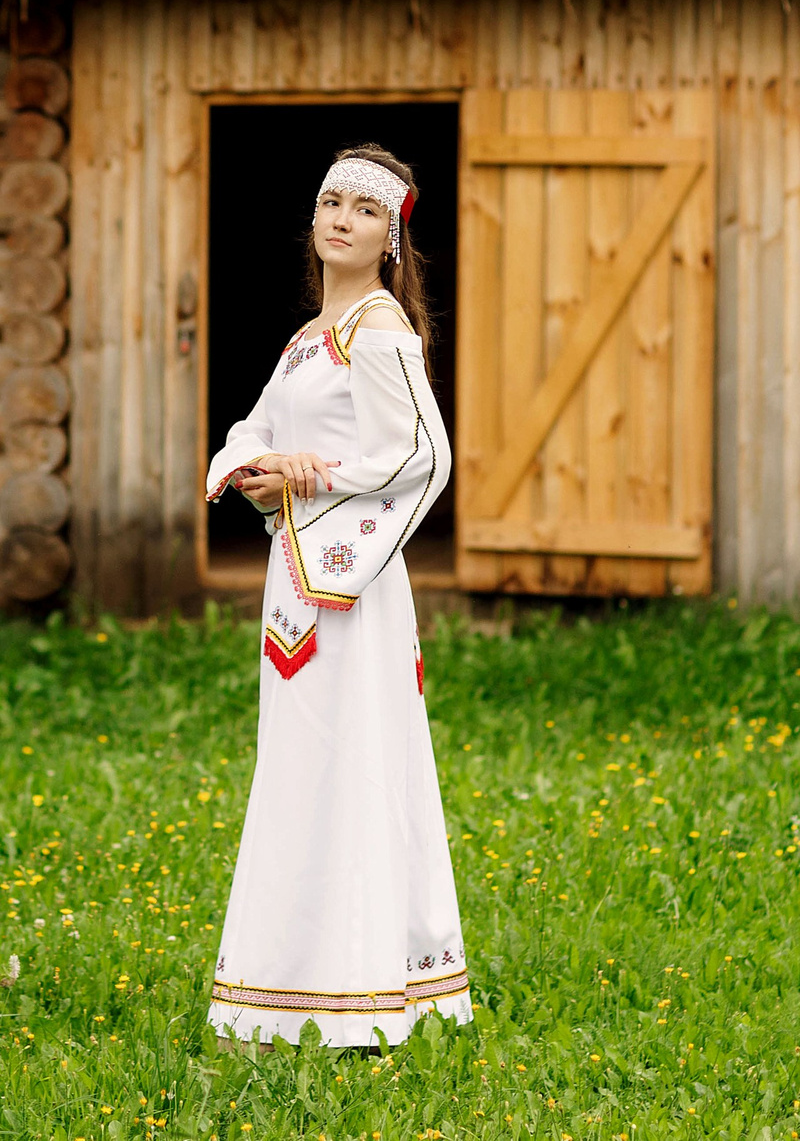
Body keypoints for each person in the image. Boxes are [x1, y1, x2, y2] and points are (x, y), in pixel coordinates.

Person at [201, 144, 471, 1050]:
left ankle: (359, 991)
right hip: (298, 584)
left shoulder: (382, 330)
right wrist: (252, 464)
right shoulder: (309, 339)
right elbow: (255, 430)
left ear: (389, 232)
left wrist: (312, 481)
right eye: (328, 201)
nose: (339, 217)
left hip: (350, 587)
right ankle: (292, 982)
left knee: (353, 764)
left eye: (361, 206)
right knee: (302, 767)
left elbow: (419, 457)